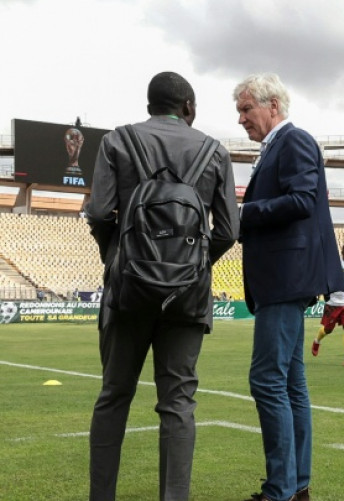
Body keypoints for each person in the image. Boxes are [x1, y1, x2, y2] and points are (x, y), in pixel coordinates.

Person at [86, 71, 239, 501]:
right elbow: (228, 230)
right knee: (178, 402)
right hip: (187, 298)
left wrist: (118, 259)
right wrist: (190, 269)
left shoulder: (117, 141)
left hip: (127, 291)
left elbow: (99, 213)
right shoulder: (214, 152)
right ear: (189, 108)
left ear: (150, 105)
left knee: (114, 395)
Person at [236, 72, 344, 501]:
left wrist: (245, 211)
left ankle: (279, 489)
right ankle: (296, 485)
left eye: (247, 109)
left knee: (267, 379)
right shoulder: (274, 147)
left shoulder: (294, 140)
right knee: (290, 381)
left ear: (272, 106)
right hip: (283, 276)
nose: (241, 119)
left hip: (286, 276)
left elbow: (302, 199)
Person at [312, 244, 344, 366]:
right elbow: (324, 279)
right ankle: (317, 341)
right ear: (342, 253)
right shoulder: (335, 264)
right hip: (334, 302)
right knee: (328, 330)